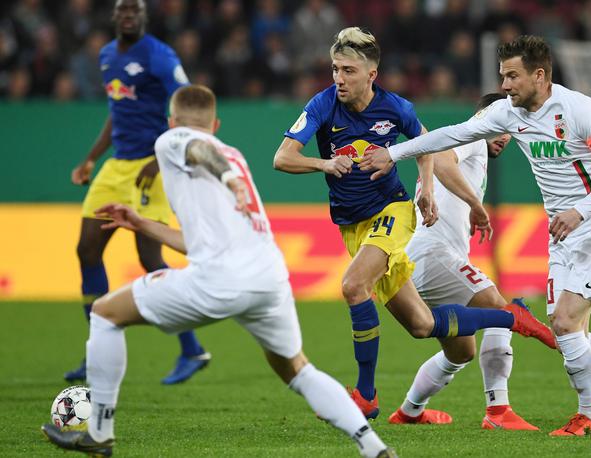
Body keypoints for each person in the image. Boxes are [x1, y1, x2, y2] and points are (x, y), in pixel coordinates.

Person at [41, 84, 396, 458]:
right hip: (268, 278)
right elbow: (199, 239)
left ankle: (99, 434)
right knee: (298, 369)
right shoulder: (235, 154)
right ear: (217, 123)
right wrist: (141, 223)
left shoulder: (174, 140)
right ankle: (373, 448)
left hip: (220, 278)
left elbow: (198, 149)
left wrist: (228, 180)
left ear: (171, 121)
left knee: (104, 313)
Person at [361, 35, 591, 436]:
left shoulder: (581, 111)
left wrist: (578, 210)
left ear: (539, 75)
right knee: (569, 330)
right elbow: (450, 136)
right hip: (562, 233)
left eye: (512, 76)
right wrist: (393, 153)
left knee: (566, 322)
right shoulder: (506, 112)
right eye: (502, 76)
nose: (504, 85)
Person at [274, 27, 555, 420]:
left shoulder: (396, 109)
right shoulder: (321, 105)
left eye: (349, 71)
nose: (339, 78)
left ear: (371, 75)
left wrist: (425, 189)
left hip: (392, 212)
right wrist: (323, 162)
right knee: (422, 326)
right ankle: (511, 316)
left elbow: (426, 144)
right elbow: (282, 158)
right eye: (336, 69)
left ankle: (367, 395)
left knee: (354, 286)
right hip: (352, 226)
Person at [65, 0, 210, 385]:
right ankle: (95, 349)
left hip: (151, 165)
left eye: (135, 9)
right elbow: (119, 110)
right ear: (114, 16)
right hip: (116, 166)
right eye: (122, 9)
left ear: (143, 17)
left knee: (149, 257)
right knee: (87, 250)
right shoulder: (107, 55)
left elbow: (190, 103)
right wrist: (91, 159)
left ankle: (192, 348)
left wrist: (164, 156)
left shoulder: (160, 56)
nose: (128, 14)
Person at [388, 92, 545, 430]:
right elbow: (442, 158)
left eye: (511, 131)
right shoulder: (471, 135)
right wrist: (476, 204)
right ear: (487, 117)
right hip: (433, 252)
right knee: (501, 312)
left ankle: (409, 411)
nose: (506, 136)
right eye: (502, 127)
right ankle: (498, 411)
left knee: (461, 352)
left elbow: (435, 158)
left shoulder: (472, 145)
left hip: (426, 256)